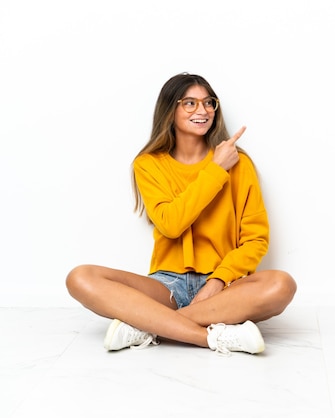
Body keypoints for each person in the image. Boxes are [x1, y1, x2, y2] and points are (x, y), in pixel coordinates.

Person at [66, 73, 297, 355]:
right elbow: (171, 224)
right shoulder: (148, 164)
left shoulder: (239, 163)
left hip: (225, 286)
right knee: (80, 277)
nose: (203, 111)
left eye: (208, 103)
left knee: (281, 285)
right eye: (189, 103)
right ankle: (212, 337)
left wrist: (217, 281)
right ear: (169, 110)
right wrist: (215, 170)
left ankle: (148, 326)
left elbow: (255, 240)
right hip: (166, 286)